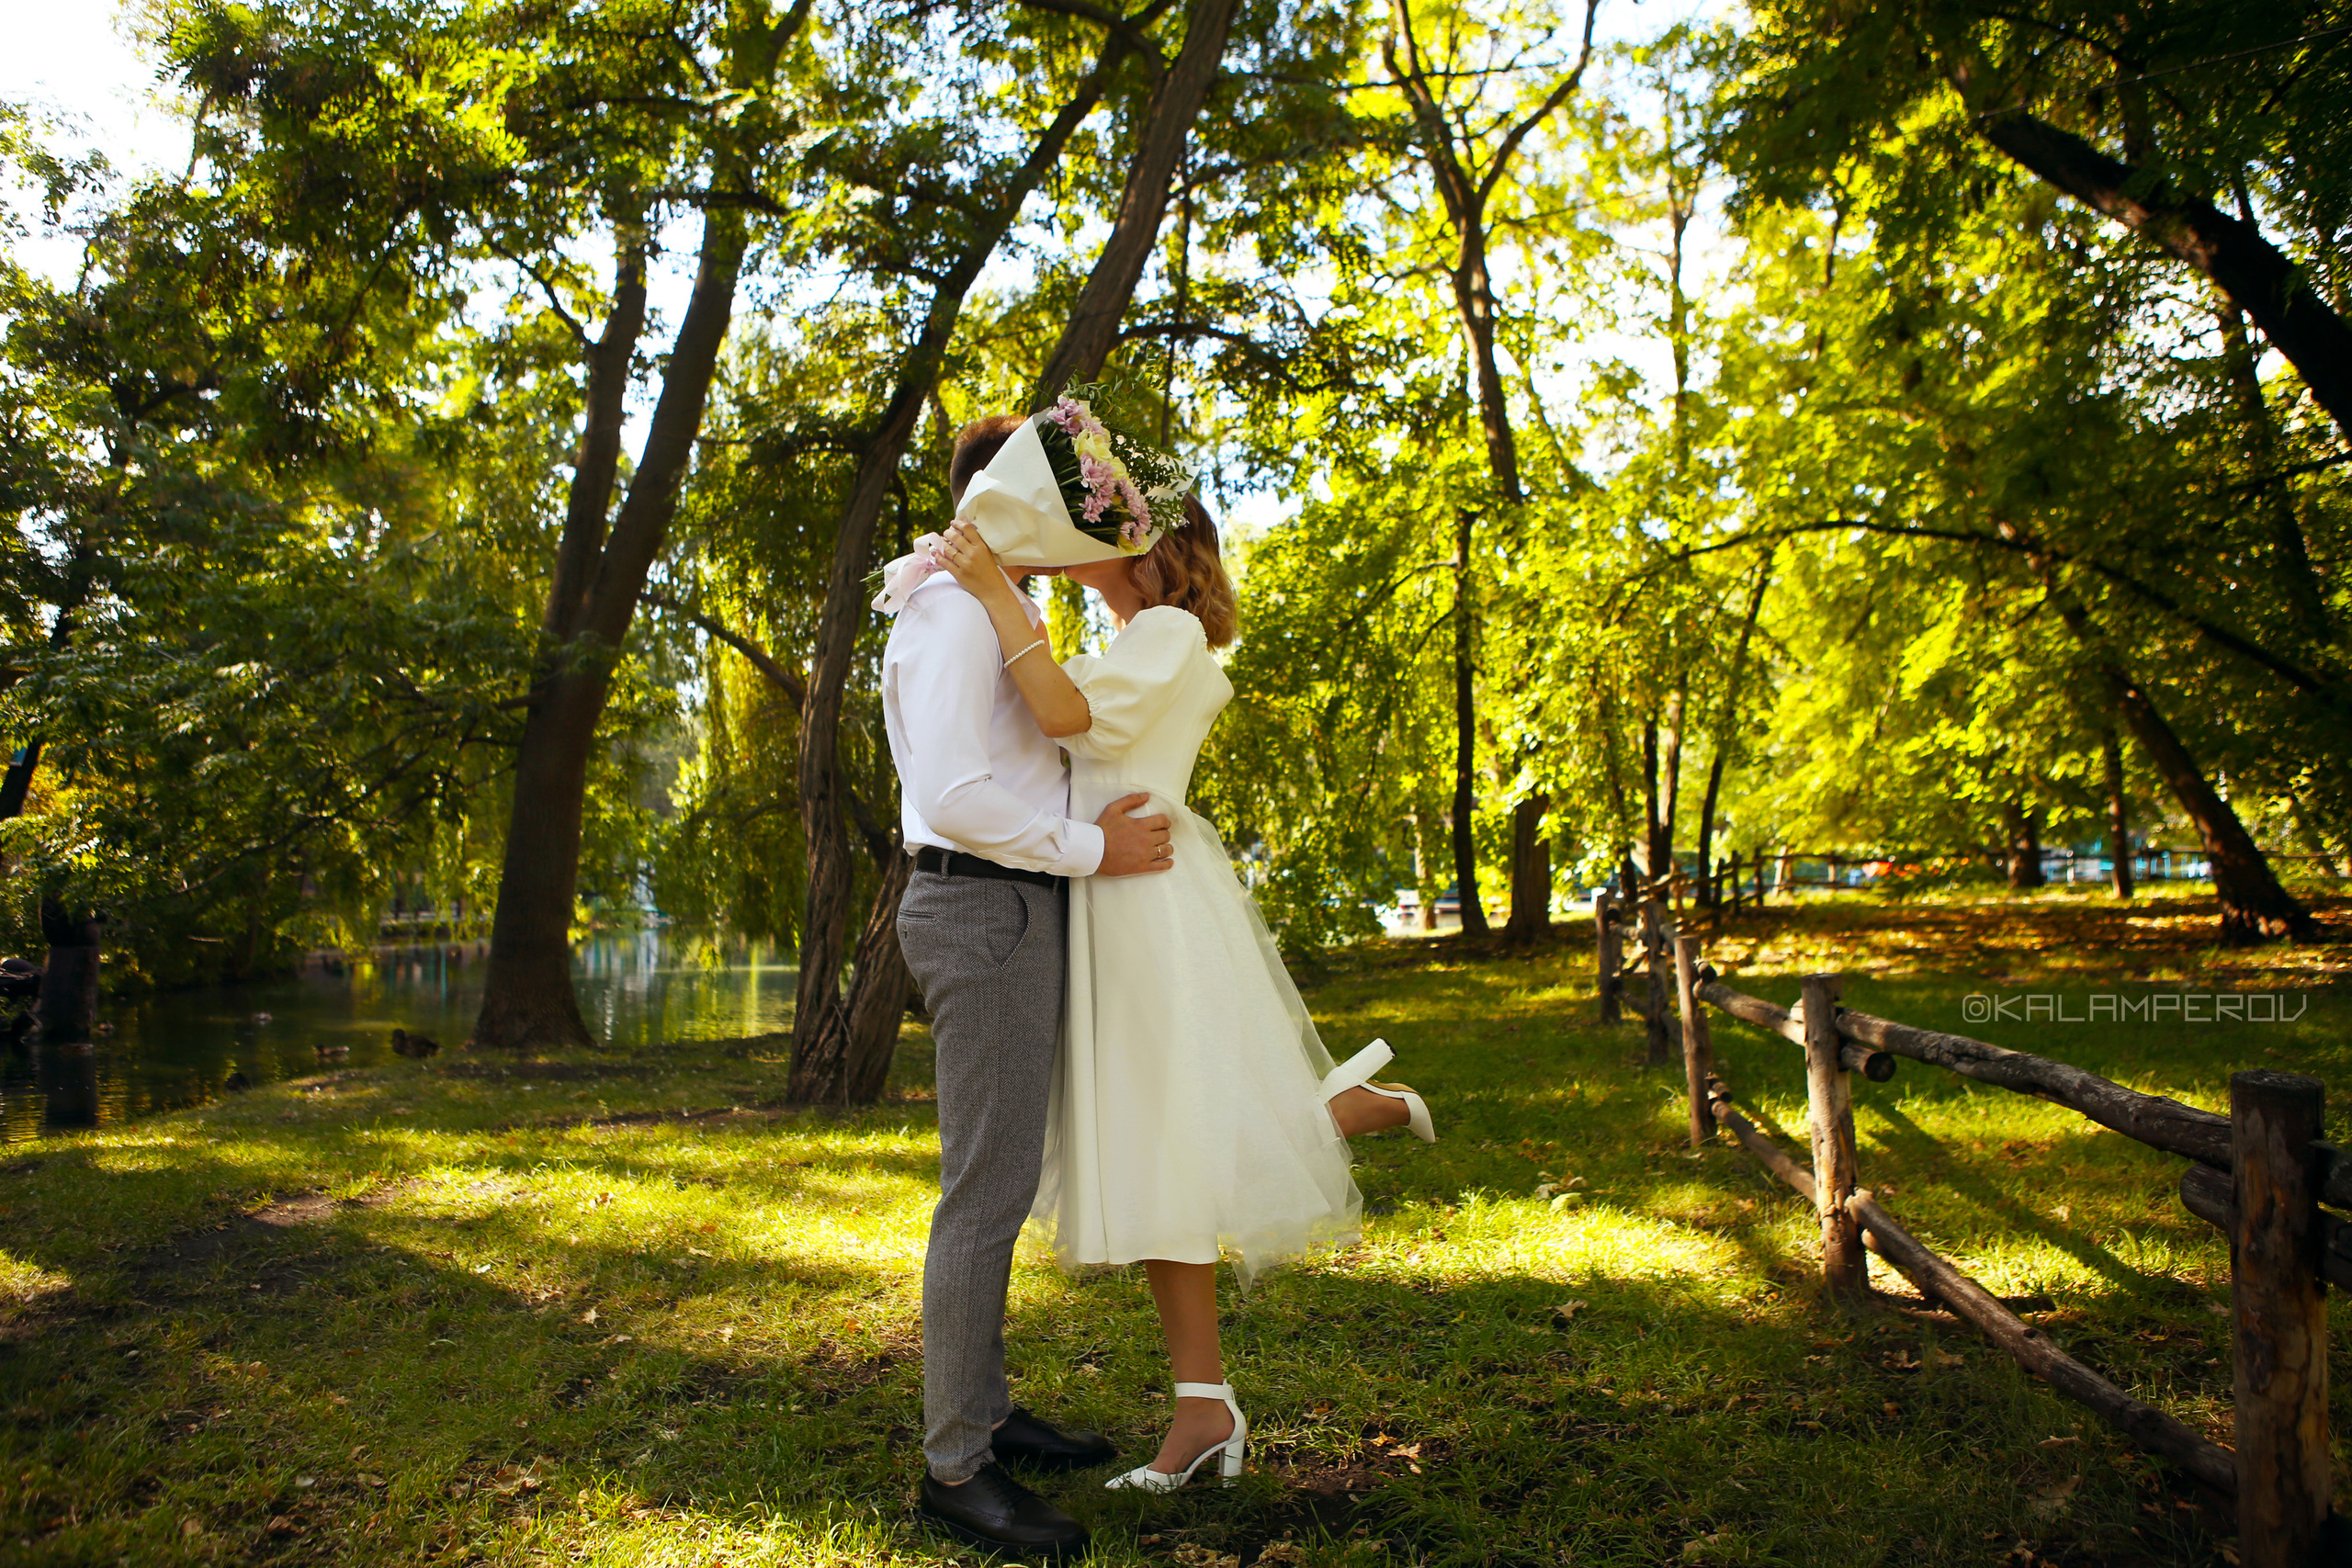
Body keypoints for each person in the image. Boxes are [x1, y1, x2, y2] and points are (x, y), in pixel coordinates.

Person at [926, 403, 1434, 1497]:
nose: (1075, 540)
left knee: (1170, 1131)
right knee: (1157, 1148)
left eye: (1099, 527)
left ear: (1148, 552)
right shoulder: (1139, 642)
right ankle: (1202, 1407)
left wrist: (990, 592)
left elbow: (1060, 717)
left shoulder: (1164, 637)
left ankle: (1346, 1111)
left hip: (1143, 902)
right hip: (1105, 893)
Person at [875, 416, 1180, 1561]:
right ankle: (956, 1469)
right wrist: (1093, 849)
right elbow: (956, 796)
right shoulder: (955, 612)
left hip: (1005, 905)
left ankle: (989, 1412)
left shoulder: (979, 602)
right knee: (983, 1194)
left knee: (997, 1181)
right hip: (982, 907)